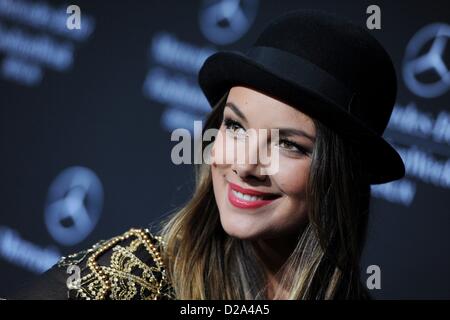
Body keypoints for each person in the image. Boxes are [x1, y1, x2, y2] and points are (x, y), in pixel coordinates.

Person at [8, 9, 405, 300]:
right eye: (235, 126)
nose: (245, 164)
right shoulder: (134, 278)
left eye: (288, 144)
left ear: (341, 176)